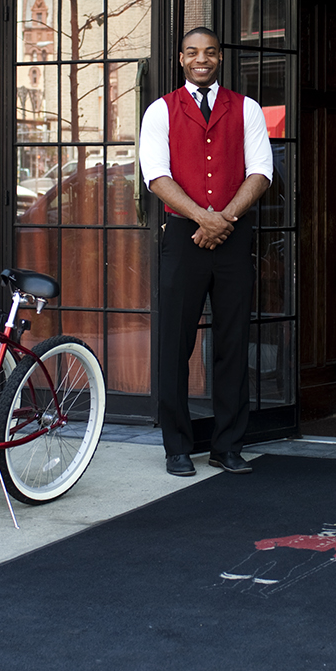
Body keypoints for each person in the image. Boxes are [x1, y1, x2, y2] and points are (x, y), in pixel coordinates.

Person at [138, 26, 273, 477]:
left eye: (210, 52)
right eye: (193, 52)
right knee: (176, 343)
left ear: (220, 58)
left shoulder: (247, 108)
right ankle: (177, 446)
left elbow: (261, 173)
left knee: (233, 343)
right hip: (183, 238)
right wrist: (203, 218)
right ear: (180, 58)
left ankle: (227, 446)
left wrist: (222, 220)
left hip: (232, 239)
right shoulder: (160, 110)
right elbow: (155, 176)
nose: (202, 59)